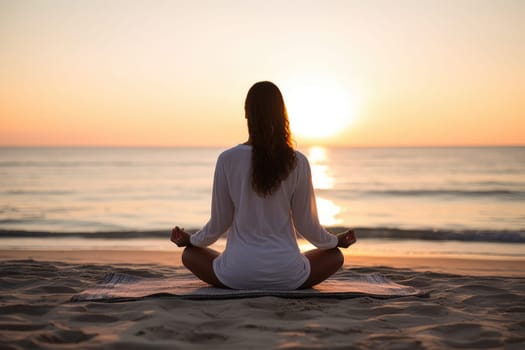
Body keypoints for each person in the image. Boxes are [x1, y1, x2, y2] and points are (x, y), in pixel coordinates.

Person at [171, 81, 356, 290]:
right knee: (335, 256)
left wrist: (191, 240)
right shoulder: (298, 161)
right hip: (287, 274)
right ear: (282, 114)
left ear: (246, 114)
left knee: (189, 254)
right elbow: (307, 225)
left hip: (236, 273)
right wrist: (334, 242)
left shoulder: (227, 159)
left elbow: (219, 223)